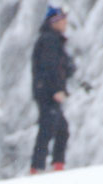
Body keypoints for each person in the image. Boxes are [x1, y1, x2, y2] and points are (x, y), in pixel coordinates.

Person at [30, 5, 76, 174]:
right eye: (63, 20)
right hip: (48, 93)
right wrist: (56, 90)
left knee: (60, 129)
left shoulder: (54, 40)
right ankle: (38, 168)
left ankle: (55, 165)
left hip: (47, 92)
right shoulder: (50, 40)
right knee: (48, 129)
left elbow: (62, 67)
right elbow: (50, 67)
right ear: (54, 22)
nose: (65, 23)